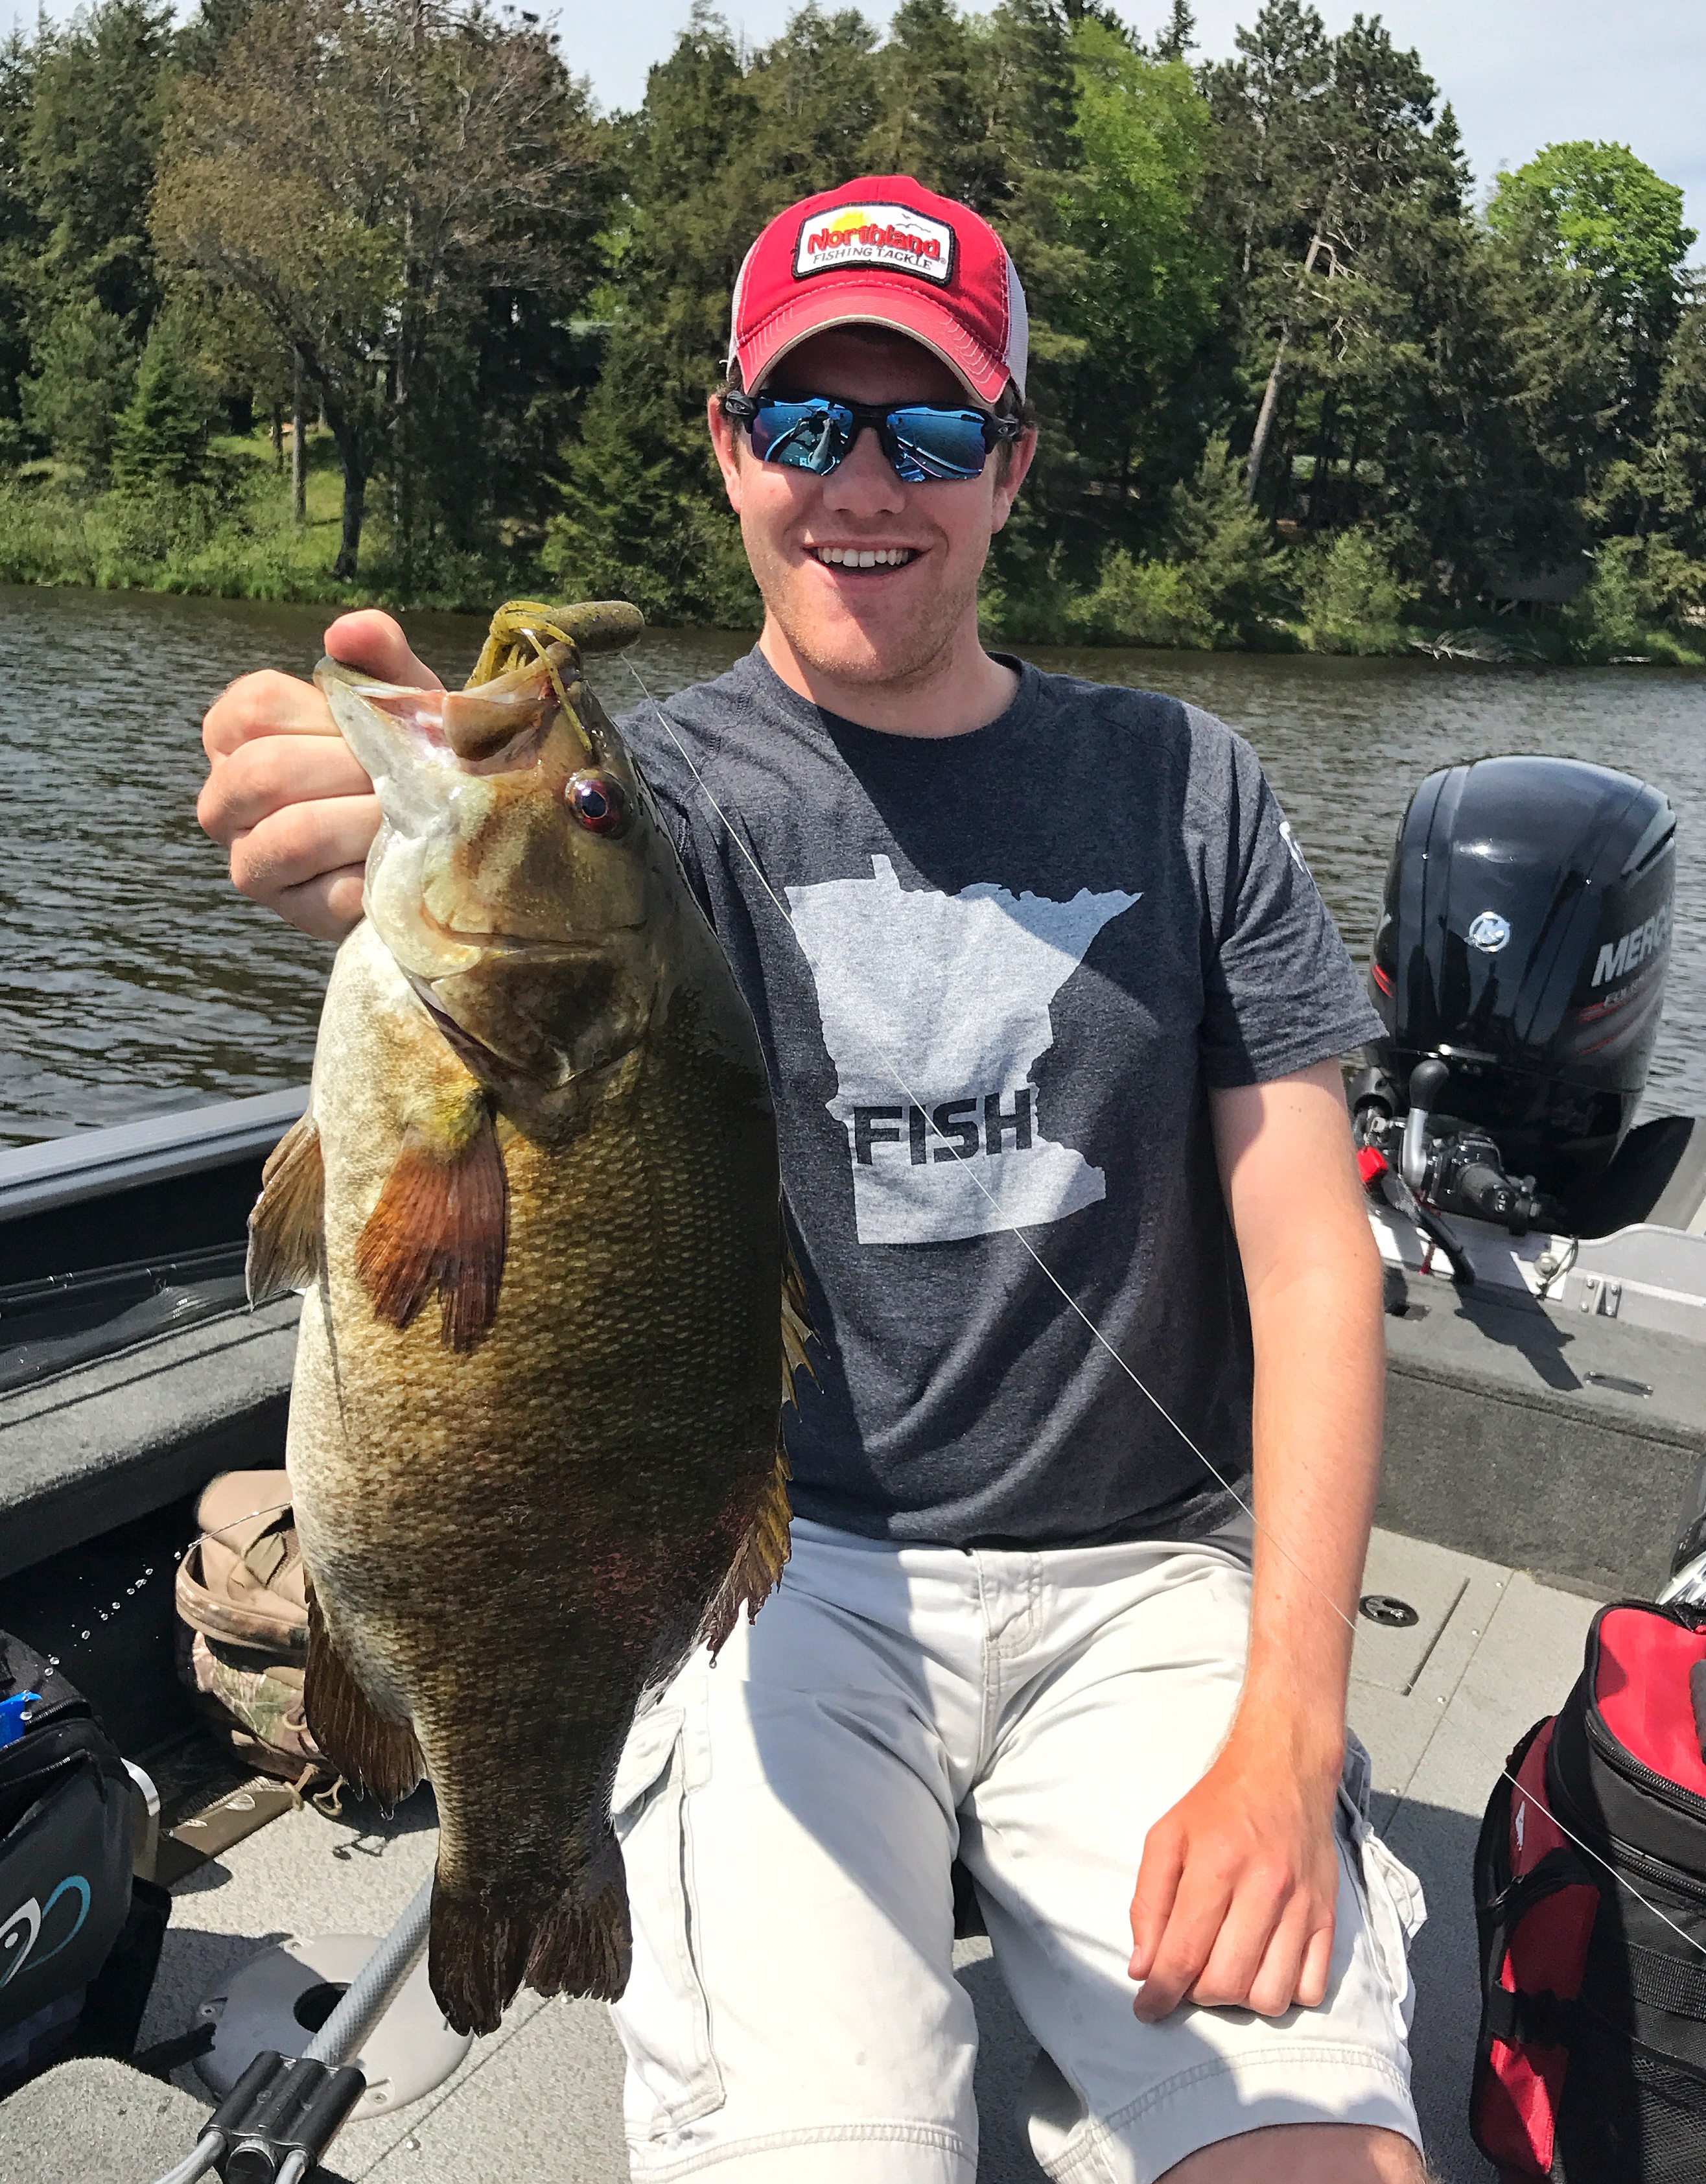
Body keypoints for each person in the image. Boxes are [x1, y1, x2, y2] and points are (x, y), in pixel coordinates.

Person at [200, 176, 1431, 2184]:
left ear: (1011, 464)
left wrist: (1293, 1727)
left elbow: (1309, 1260)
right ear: (728, 444)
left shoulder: (1191, 784)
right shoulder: (655, 803)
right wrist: (348, 812)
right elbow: (480, 857)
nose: (868, 482)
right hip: (777, 1583)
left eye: (932, 429)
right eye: (807, 424)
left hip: (1148, 1590)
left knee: (1313, 2158)